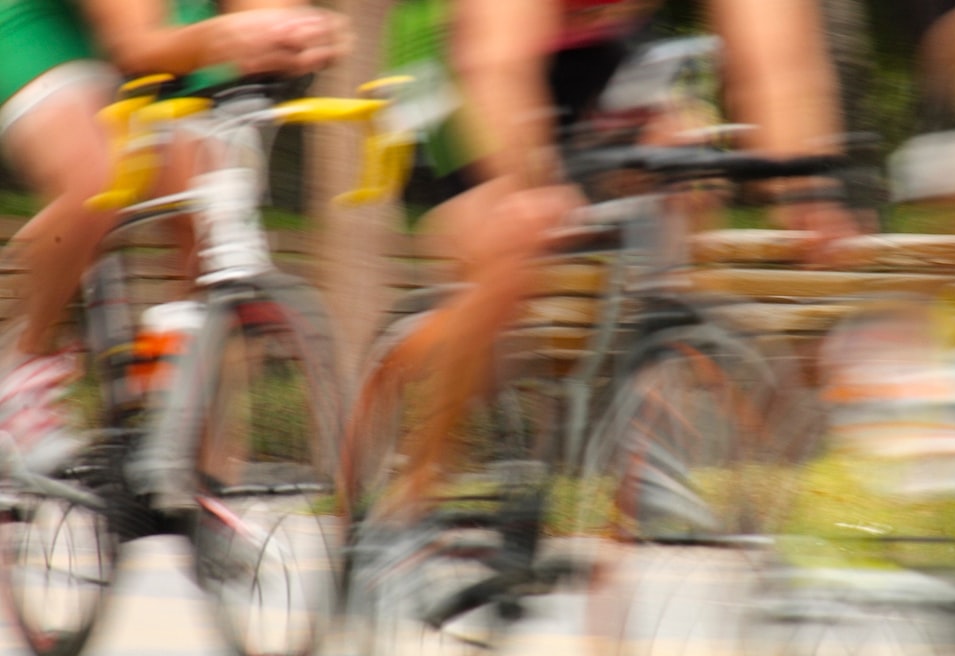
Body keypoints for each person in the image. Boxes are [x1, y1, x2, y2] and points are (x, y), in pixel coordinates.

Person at [349, 0, 857, 519]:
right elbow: (494, 63)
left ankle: (648, 440)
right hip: (458, 55)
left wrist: (806, 194)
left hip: (591, 45)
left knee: (685, 155)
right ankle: (421, 471)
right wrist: (531, 187)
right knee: (511, 238)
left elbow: (779, 62)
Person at [0, 0, 352, 474]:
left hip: (174, 20)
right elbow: (140, 46)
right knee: (96, 181)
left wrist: (301, 30)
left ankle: (199, 473)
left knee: (212, 217)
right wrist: (235, 34)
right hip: (47, 28)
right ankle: (24, 368)